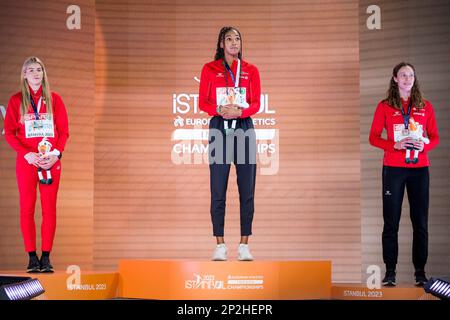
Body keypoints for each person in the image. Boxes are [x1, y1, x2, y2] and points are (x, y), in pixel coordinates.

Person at [369, 62, 439, 286]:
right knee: (391, 223)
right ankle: (390, 273)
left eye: (411, 75)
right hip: (394, 170)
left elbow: (435, 137)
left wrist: (424, 147)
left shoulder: (425, 106)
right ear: (395, 79)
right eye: (403, 75)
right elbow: (373, 137)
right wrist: (394, 146)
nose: (407, 78)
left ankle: (420, 274)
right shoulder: (385, 106)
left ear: (414, 79)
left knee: (420, 222)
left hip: (419, 170)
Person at [199, 27, 261, 261]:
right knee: (218, 188)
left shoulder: (251, 70)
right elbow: (202, 102)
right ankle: (220, 244)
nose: (234, 43)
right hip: (219, 127)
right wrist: (219, 109)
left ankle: (244, 244)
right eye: (229, 39)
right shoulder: (209, 69)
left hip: (244, 127)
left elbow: (256, 103)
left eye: (238, 39)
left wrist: (241, 111)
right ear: (221, 44)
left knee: (247, 189)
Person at [4, 57, 69, 273]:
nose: (35, 73)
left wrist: (56, 155)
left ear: (43, 73)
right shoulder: (16, 101)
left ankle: (46, 257)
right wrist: (26, 154)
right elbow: (10, 134)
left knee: (49, 209)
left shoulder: (55, 99)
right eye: (30, 70)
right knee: (27, 209)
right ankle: (32, 257)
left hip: (50, 162)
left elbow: (64, 132)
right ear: (24, 74)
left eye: (39, 69)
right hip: (28, 163)